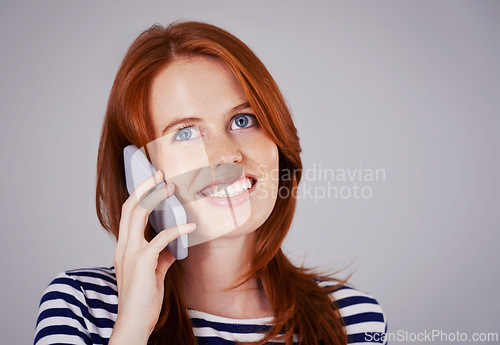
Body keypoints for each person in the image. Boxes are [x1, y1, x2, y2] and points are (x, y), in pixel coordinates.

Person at [33, 21, 387, 345]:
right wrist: (133, 327)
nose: (226, 155)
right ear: (138, 169)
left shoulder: (352, 320)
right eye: (186, 132)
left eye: (244, 120)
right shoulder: (79, 305)